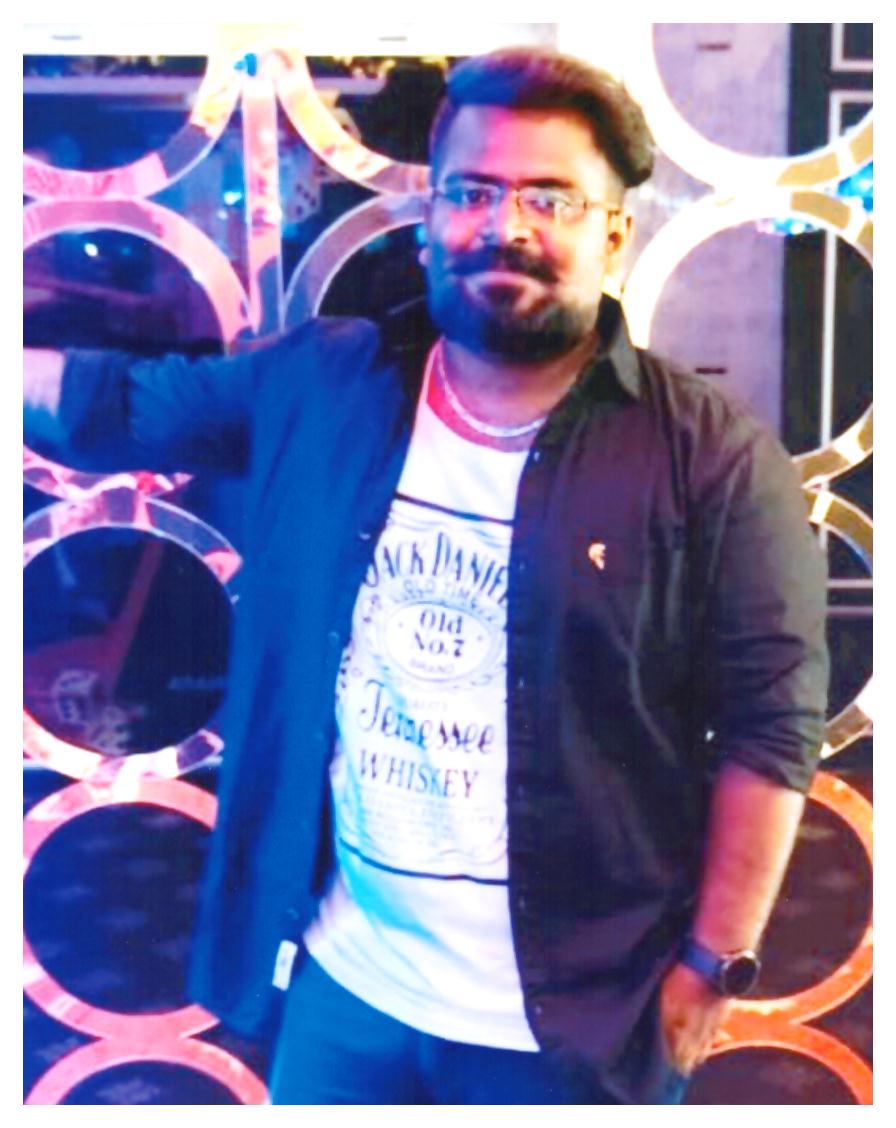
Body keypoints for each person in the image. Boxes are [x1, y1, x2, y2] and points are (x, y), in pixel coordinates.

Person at [24, 46, 828, 1105]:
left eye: (550, 198)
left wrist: (711, 966)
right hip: (349, 987)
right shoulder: (328, 385)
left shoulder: (708, 458)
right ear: (431, 216)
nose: (507, 226)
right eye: (473, 193)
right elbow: (114, 407)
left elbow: (770, 724)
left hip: (578, 1020)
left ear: (612, 233)